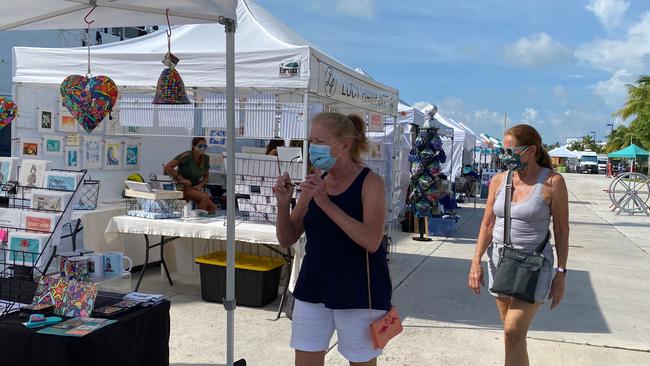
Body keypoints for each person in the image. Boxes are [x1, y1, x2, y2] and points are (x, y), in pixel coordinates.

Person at [274, 112, 391, 366]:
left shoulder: (370, 183)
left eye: (320, 140)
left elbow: (372, 240)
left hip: (358, 292)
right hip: (314, 286)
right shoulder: (316, 181)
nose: (313, 147)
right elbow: (287, 238)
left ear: (345, 145)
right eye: (310, 139)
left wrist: (325, 203)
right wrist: (283, 204)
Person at [468, 124, 569, 366]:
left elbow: (561, 229)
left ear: (531, 150)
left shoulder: (553, 182)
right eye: (504, 150)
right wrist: (476, 262)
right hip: (500, 261)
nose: (506, 156)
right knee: (512, 335)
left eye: (511, 150)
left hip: (533, 264)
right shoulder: (498, 181)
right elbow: (487, 224)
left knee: (513, 330)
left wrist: (561, 273)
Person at [164, 137, 216, 214]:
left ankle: (203, 220)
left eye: (205, 146)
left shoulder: (206, 158)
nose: (202, 149)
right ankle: (197, 219)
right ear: (193, 146)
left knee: (212, 207)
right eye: (200, 146)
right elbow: (168, 167)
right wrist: (181, 179)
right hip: (182, 186)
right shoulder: (186, 156)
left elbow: (206, 176)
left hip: (195, 187)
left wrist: (200, 185)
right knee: (204, 197)